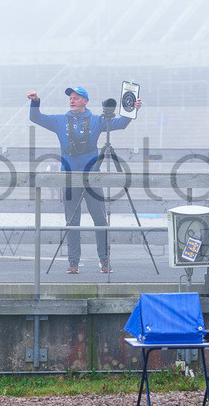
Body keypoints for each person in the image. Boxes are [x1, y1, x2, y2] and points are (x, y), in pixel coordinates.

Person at [27, 86, 142, 274]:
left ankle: (104, 260)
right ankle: (73, 262)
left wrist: (132, 108)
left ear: (85, 101)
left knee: (100, 220)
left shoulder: (97, 120)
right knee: (72, 221)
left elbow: (121, 123)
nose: (71, 100)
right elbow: (35, 117)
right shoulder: (59, 120)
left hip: (92, 178)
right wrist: (35, 101)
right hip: (69, 178)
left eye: (76, 98)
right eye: (70, 98)